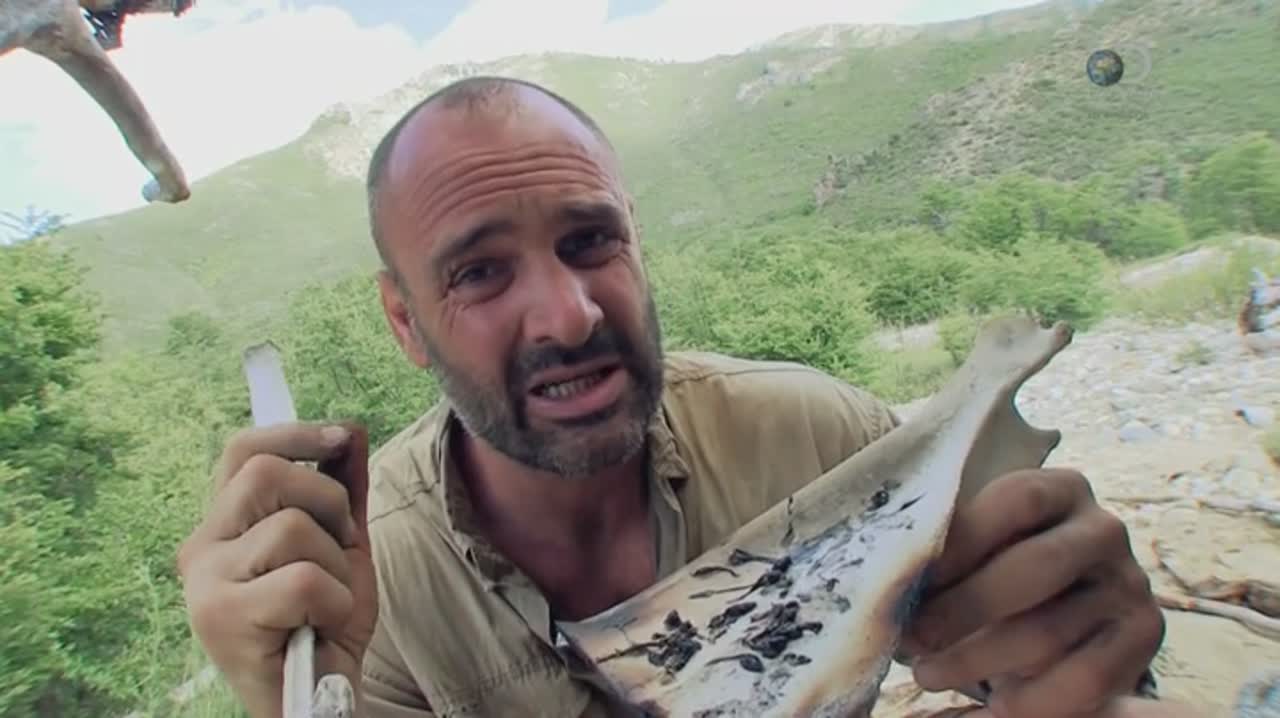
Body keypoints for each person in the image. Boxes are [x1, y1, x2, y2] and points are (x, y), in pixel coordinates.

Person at [176, 76, 1175, 718]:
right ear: (404, 322)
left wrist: (1082, 646)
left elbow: (1013, 653)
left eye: (590, 242)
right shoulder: (370, 586)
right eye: (479, 273)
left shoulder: (820, 438)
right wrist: (292, 696)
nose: (567, 314)